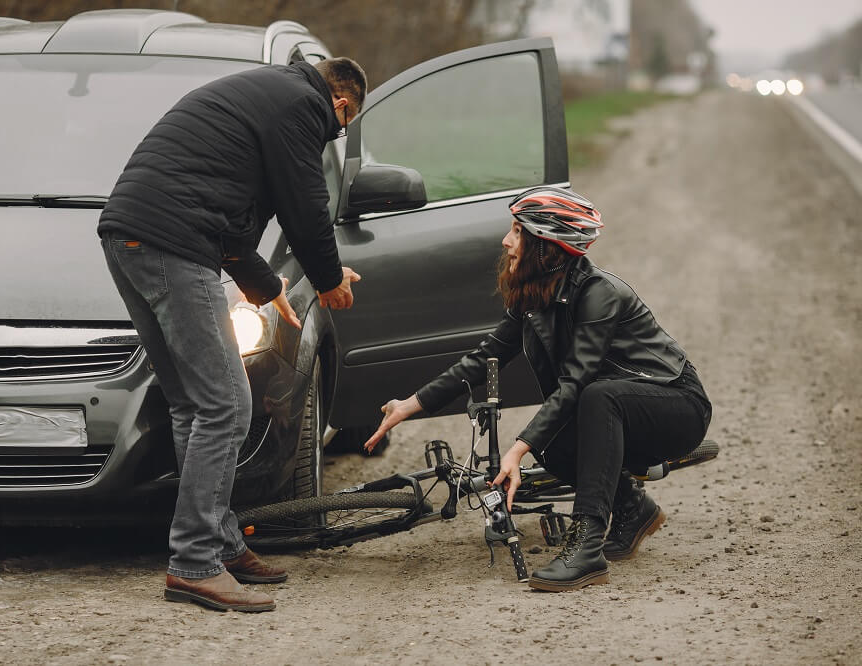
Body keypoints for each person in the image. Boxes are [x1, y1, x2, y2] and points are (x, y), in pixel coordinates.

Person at [98, 58, 367, 612]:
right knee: (226, 404)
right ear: (340, 105)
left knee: (193, 406)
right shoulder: (303, 107)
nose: (332, 134)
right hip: (173, 244)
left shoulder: (267, 97)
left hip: (130, 236)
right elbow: (306, 205)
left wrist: (268, 291)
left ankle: (217, 543)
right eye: (341, 128)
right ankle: (194, 562)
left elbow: (234, 229)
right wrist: (329, 278)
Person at [363, 186, 712, 592]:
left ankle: (587, 550)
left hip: (676, 404)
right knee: (554, 438)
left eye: (517, 231)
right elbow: (484, 358)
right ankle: (633, 509)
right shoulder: (535, 295)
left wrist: (516, 448)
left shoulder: (599, 294)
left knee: (594, 398)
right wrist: (411, 405)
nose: (506, 241)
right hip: (619, 404)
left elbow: (577, 381)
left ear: (546, 246)